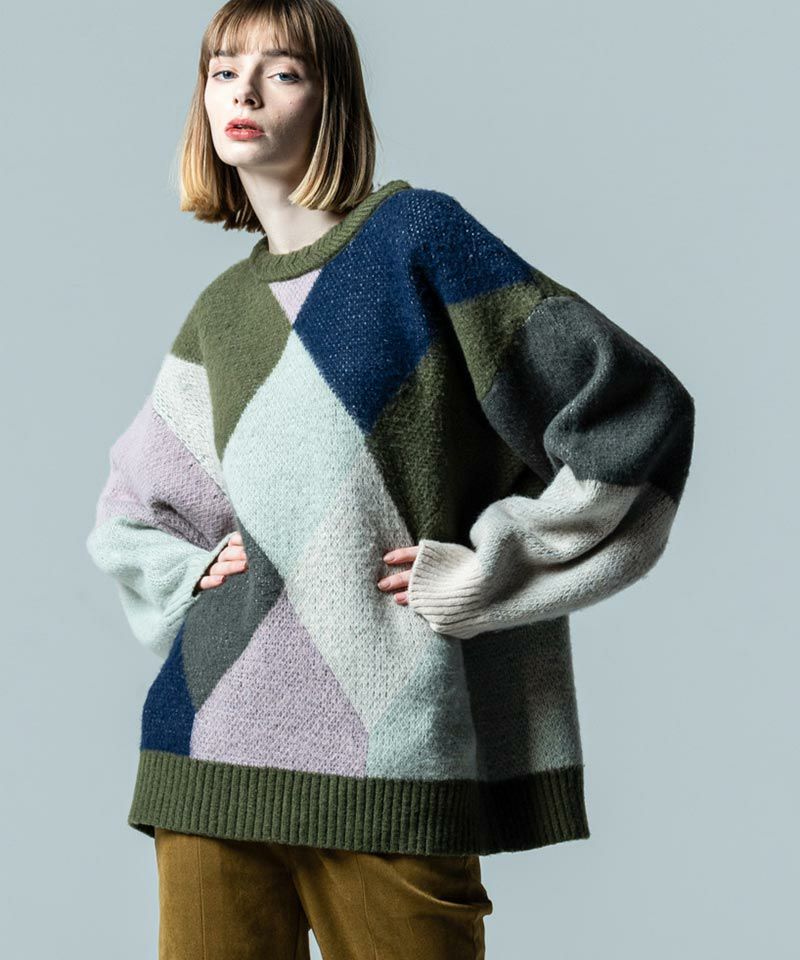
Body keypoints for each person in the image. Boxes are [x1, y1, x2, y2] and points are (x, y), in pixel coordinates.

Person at [85, 1, 696, 958]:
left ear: (331, 100)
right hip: (205, 752)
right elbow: (133, 514)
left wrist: (495, 570)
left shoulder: (416, 239)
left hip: (393, 754)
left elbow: (636, 415)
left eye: (283, 70)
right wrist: (189, 577)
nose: (245, 92)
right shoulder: (222, 312)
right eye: (222, 70)